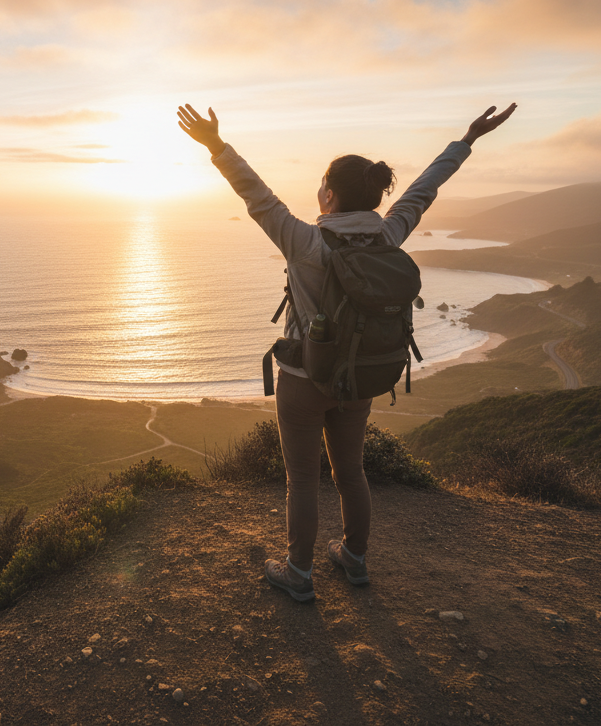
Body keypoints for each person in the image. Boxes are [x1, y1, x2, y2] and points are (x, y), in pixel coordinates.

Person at [177, 101, 516, 601]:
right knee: (351, 472)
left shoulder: (305, 243)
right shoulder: (390, 233)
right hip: (360, 375)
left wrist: (216, 146)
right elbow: (425, 188)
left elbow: (255, 194)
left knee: (302, 480)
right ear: (375, 195)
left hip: (303, 379)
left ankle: (300, 573)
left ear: (329, 195)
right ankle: (354, 560)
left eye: (321, 185)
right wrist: (467, 139)